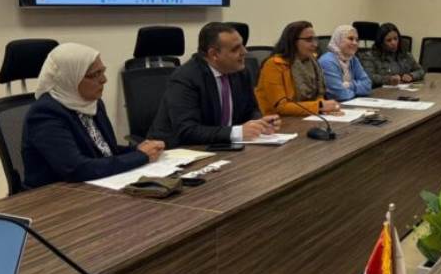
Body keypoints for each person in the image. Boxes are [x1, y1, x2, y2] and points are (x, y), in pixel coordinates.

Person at [22, 43, 165, 188]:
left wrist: (139, 149)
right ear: (70, 78)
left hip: (93, 186)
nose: (104, 79)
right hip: (54, 195)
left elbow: (106, 151)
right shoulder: (45, 114)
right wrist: (140, 156)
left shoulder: (92, 103)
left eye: (102, 71)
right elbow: (76, 168)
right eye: (94, 75)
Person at [148, 22, 280, 148]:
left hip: (223, 147)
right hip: (180, 150)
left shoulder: (240, 72)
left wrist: (260, 124)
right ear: (214, 54)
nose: (244, 52)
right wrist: (236, 132)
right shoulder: (185, 77)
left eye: (243, 45)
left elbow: (250, 110)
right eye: (236, 49)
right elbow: (187, 131)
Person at [255, 20, 342, 116]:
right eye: (308, 40)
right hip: (279, 120)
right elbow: (281, 107)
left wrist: (325, 108)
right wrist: (320, 106)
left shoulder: (312, 62)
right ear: (292, 41)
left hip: (308, 116)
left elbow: (318, 96)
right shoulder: (274, 65)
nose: (315, 44)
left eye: (315, 39)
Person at [359, 22, 424, 87]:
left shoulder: (405, 54)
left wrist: (411, 76)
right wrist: (388, 80)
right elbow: (369, 77)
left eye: (395, 39)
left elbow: (420, 70)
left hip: (402, 90)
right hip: (380, 91)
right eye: (389, 40)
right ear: (381, 43)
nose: (393, 43)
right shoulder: (369, 57)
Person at [318, 25, 372, 101]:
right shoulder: (327, 61)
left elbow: (367, 85)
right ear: (339, 39)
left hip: (350, 103)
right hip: (334, 105)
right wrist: (358, 91)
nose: (355, 43)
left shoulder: (353, 59)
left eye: (357, 40)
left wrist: (348, 85)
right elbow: (339, 95)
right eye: (350, 39)